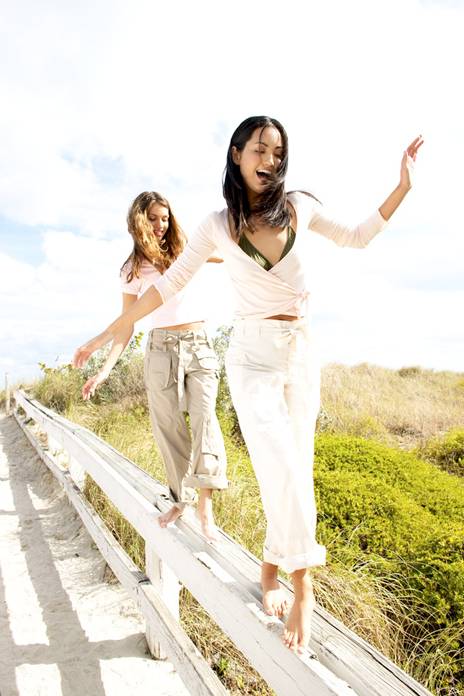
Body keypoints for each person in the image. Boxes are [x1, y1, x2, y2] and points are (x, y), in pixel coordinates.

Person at [73, 117, 423, 652]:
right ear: (237, 154)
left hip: (302, 352)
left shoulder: (298, 207)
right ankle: (302, 586)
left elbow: (357, 236)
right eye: (260, 148)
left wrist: (402, 185)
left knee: (297, 464)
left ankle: (269, 565)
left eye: (278, 152)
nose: (270, 159)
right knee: (279, 460)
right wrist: (105, 336)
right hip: (252, 356)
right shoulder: (217, 225)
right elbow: (162, 288)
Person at [81, 191, 227, 541]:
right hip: (161, 350)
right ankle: (181, 500)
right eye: (153, 218)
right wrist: (104, 370)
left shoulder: (184, 252)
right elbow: (127, 323)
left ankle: (205, 504)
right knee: (169, 429)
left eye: (165, 217)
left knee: (205, 419)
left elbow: (225, 253)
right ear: (138, 221)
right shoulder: (131, 270)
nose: (161, 225)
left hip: (199, 344)